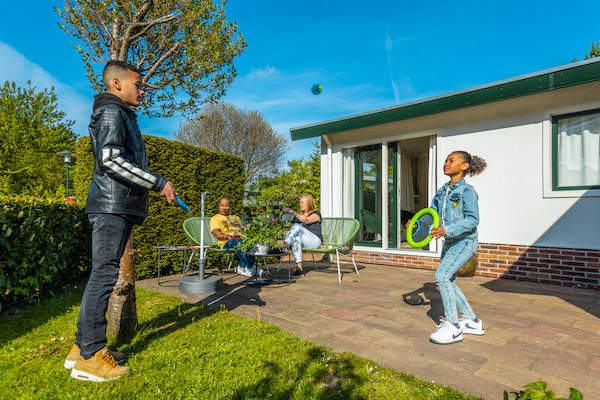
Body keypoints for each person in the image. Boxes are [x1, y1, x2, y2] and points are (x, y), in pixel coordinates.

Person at [66, 60, 178, 381]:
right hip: (111, 207)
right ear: (116, 84)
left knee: (102, 274)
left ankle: (83, 347)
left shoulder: (119, 113)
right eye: (138, 85)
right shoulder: (112, 112)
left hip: (115, 206)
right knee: (103, 276)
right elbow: (111, 159)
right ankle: (91, 355)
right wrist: (158, 182)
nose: (142, 91)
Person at [426, 151, 487, 344]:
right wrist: (418, 223)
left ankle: (453, 327)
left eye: (451, 161)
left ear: (464, 166)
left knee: (441, 277)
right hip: (450, 242)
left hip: (465, 241)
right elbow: (432, 214)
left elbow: (473, 219)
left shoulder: (467, 191)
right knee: (449, 280)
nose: (446, 163)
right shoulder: (442, 191)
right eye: (445, 160)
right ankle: (472, 321)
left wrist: (447, 230)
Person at [210, 197, 262, 277]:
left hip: (240, 240)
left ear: (230, 207)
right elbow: (218, 235)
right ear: (219, 207)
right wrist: (234, 237)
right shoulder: (215, 218)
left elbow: (244, 231)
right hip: (227, 243)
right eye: (222, 205)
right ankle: (251, 267)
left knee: (252, 243)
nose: (224, 208)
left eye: (226, 205)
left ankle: (242, 267)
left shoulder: (235, 218)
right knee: (241, 244)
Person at [282, 194, 322, 276]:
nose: (300, 204)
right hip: (303, 241)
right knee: (296, 239)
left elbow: (306, 220)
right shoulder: (297, 218)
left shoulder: (316, 214)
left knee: (296, 226)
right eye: (300, 202)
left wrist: (292, 212)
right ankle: (299, 268)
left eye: (303, 202)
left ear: (309, 203)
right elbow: (291, 231)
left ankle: (285, 245)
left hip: (315, 241)